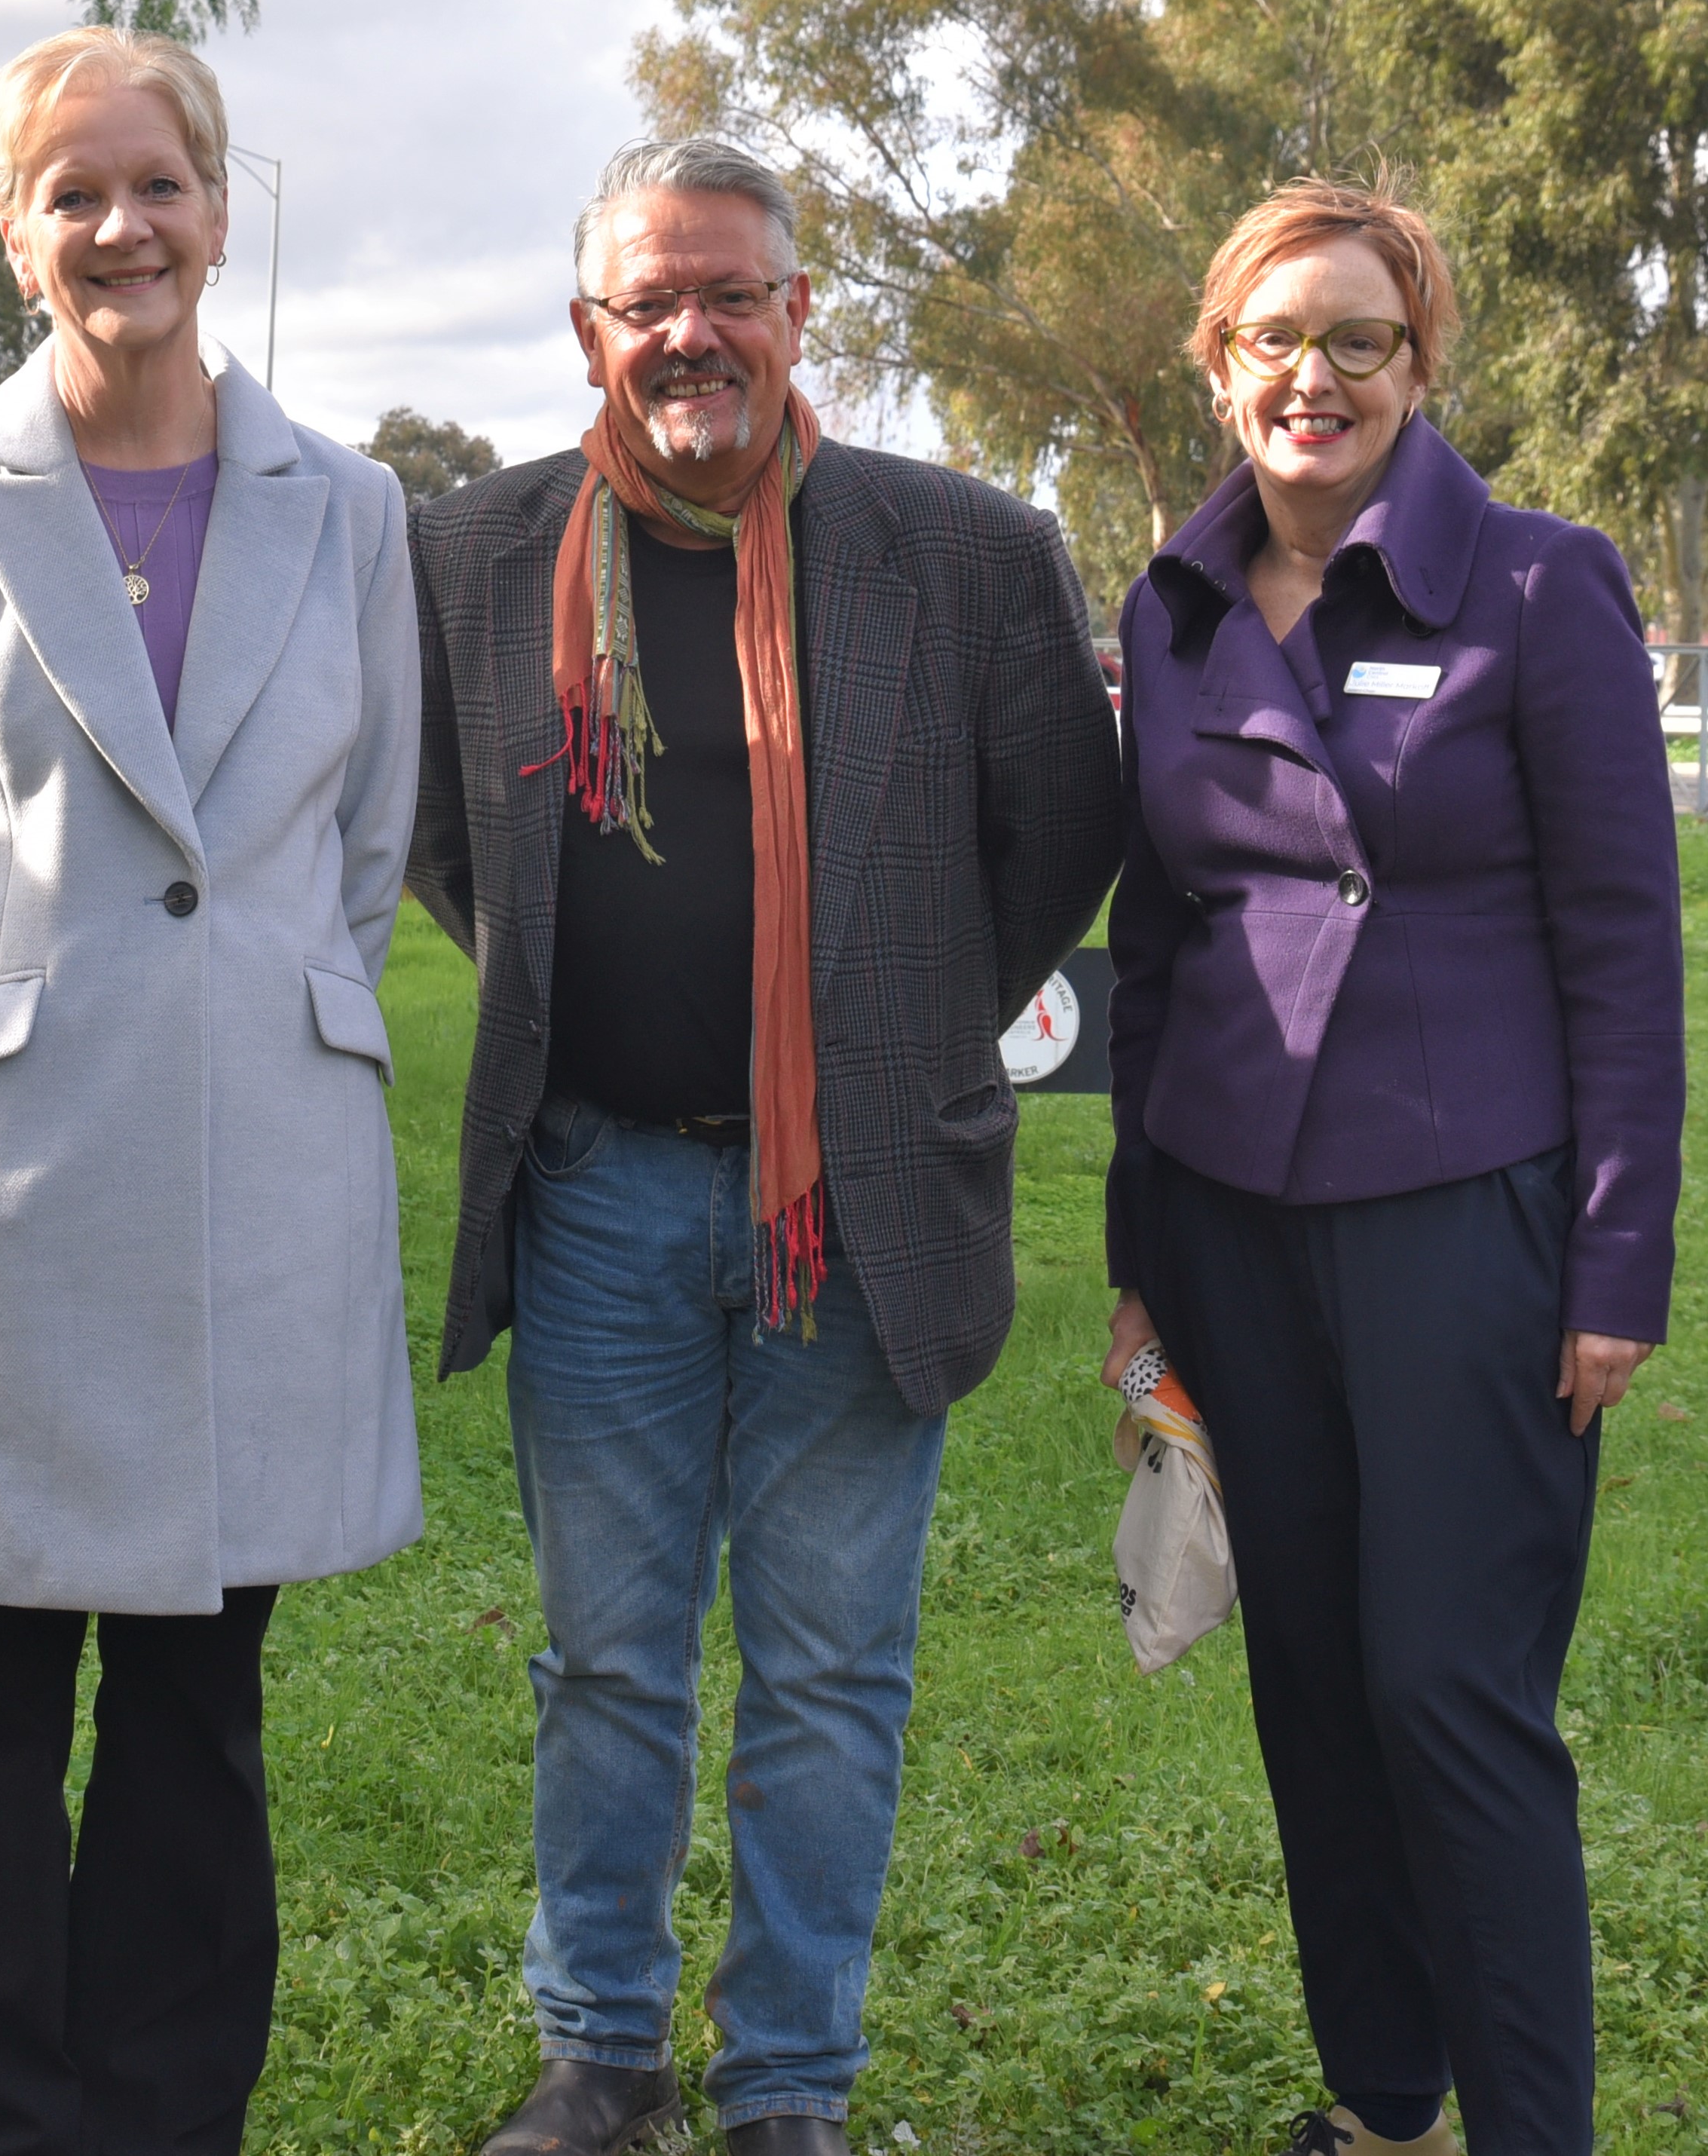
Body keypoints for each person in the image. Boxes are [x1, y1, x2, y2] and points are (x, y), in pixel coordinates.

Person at [406, 132, 1120, 2156]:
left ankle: (789, 2079)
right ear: (589, 332)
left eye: (732, 292)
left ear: (802, 315)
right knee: (606, 1655)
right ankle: (599, 2052)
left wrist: (880, 1026)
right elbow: (455, 851)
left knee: (827, 1665)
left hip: (861, 1191)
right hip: (597, 1190)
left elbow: (1055, 835)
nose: (692, 333)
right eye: (650, 301)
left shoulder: (966, 556)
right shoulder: (467, 554)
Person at [0, 26, 421, 2156]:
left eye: (154, 186)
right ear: (14, 234)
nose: (118, 228)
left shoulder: (352, 510)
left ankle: (163, 2119)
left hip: (253, 1178)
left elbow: (356, 848)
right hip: (2, 1195)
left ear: (218, 213)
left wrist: (227, 1016)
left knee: (194, 1712)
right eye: (71, 193)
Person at [1097, 182, 1683, 2156]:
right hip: (1230, 1215)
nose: (1309, 376)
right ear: (1216, 365)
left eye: (1355, 340)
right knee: (1313, 1698)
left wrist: (1614, 1268)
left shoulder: (1536, 586)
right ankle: (1383, 2109)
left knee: (1448, 1693)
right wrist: (1137, 1249)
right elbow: (1158, 941)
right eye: (1270, 338)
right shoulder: (1167, 607)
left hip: (1466, 1214)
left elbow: (1622, 942)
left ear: (1420, 366)